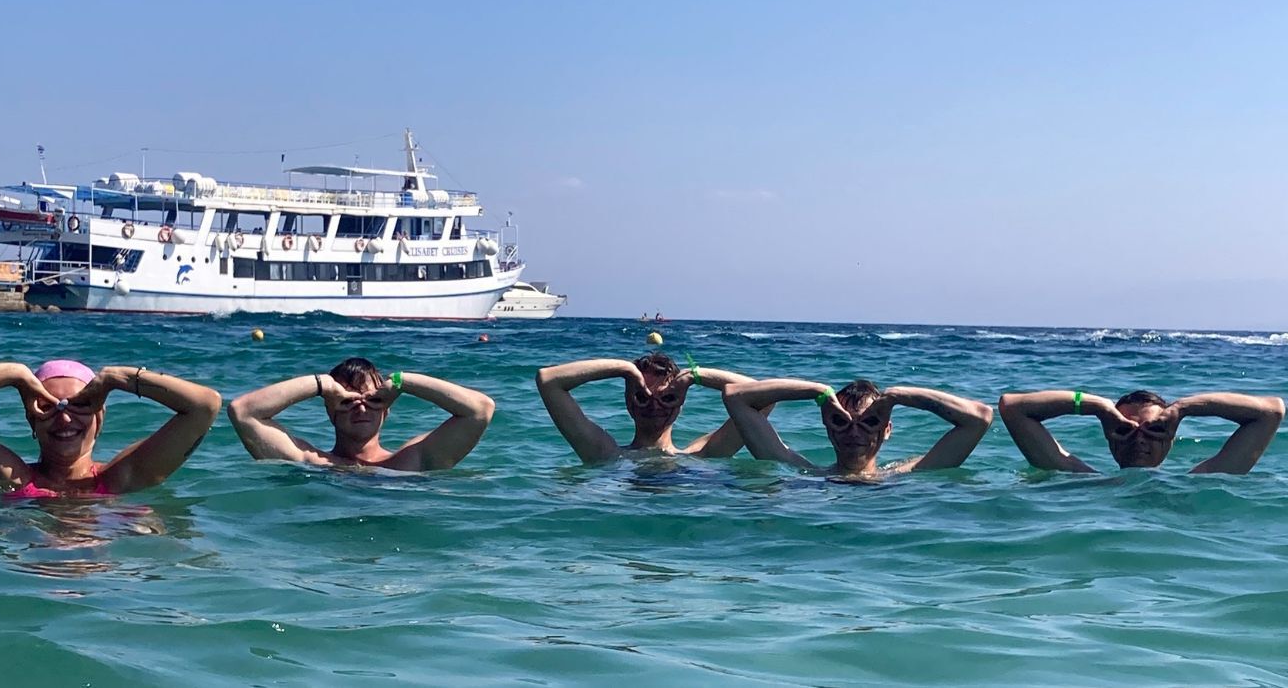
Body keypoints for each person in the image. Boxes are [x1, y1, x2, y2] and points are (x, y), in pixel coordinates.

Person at [0, 360, 221, 496]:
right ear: (31, 420)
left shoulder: (122, 477)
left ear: (100, 417)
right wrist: (13, 374)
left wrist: (117, 378)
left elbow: (204, 405)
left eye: (80, 405)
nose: (64, 418)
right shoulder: (11, 477)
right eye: (48, 407)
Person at [227, 357, 494, 470]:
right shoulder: (310, 462)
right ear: (330, 412)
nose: (361, 406)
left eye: (373, 400)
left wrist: (402, 382)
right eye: (348, 400)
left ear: (386, 410)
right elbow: (243, 412)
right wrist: (323, 385)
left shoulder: (411, 461)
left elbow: (480, 410)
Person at [721, 378, 993, 476]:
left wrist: (898, 396)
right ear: (827, 426)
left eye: (869, 423)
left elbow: (979, 418)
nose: (854, 433)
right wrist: (818, 392)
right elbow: (735, 397)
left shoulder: (905, 475)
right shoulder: (806, 474)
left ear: (887, 429)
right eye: (841, 422)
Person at [535, 353, 763, 463]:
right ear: (628, 402)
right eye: (642, 396)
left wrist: (694, 375)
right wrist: (624, 369)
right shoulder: (605, 453)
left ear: (681, 402)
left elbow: (761, 397)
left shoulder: (704, 454)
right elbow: (548, 380)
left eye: (667, 397)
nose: (655, 405)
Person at [997, 389, 1284, 474]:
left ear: (1171, 437)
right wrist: (1098, 407)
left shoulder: (1199, 482)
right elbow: (1012, 407)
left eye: (1154, 429)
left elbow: (1271, 411)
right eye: (1125, 428)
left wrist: (1183, 408)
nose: (1139, 439)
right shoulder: (1082, 480)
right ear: (1109, 436)